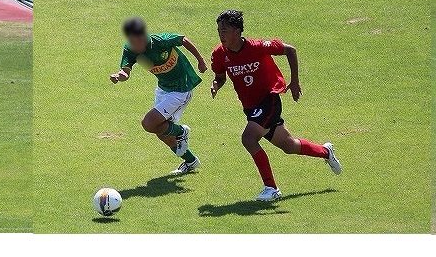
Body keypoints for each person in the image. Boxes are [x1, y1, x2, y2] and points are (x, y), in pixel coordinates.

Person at [204, 10, 341, 202]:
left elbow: (290, 50)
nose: (221, 34)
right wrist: (216, 85)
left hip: (269, 100)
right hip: (251, 108)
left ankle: (271, 188)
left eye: (224, 30)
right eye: (218, 30)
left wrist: (295, 81)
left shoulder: (258, 47)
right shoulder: (219, 54)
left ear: (237, 31)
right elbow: (220, 76)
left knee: (248, 138)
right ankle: (326, 151)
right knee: (289, 145)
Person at [107, 17, 208, 174]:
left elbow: (183, 39)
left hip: (181, 89)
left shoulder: (161, 41)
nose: (135, 44)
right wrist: (118, 76)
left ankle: (181, 131)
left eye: (137, 40)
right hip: (163, 89)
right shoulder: (130, 49)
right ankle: (191, 161)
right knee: (159, 130)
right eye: (132, 41)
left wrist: (200, 60)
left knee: (148, 123)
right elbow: (125, 72)